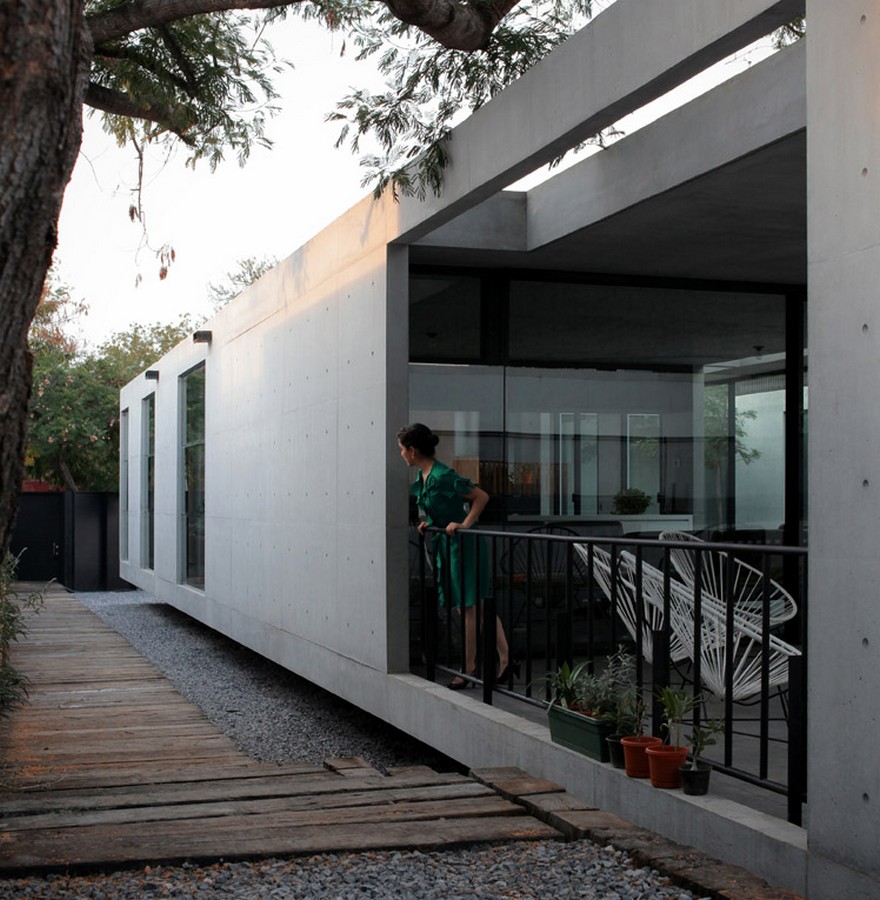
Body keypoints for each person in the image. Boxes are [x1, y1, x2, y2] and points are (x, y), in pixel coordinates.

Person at [398, 423, 512, 690]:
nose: (401, 455)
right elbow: (433, 507)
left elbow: (481, 497)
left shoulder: (442, 475)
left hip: (464, 546)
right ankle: (505, 659)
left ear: (412, 451)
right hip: (449, 546)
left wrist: (464, 524)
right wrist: (428, 522)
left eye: (402, 450)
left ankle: (469, 669)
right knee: (475, 607)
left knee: (469, 608)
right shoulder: (425, 477)